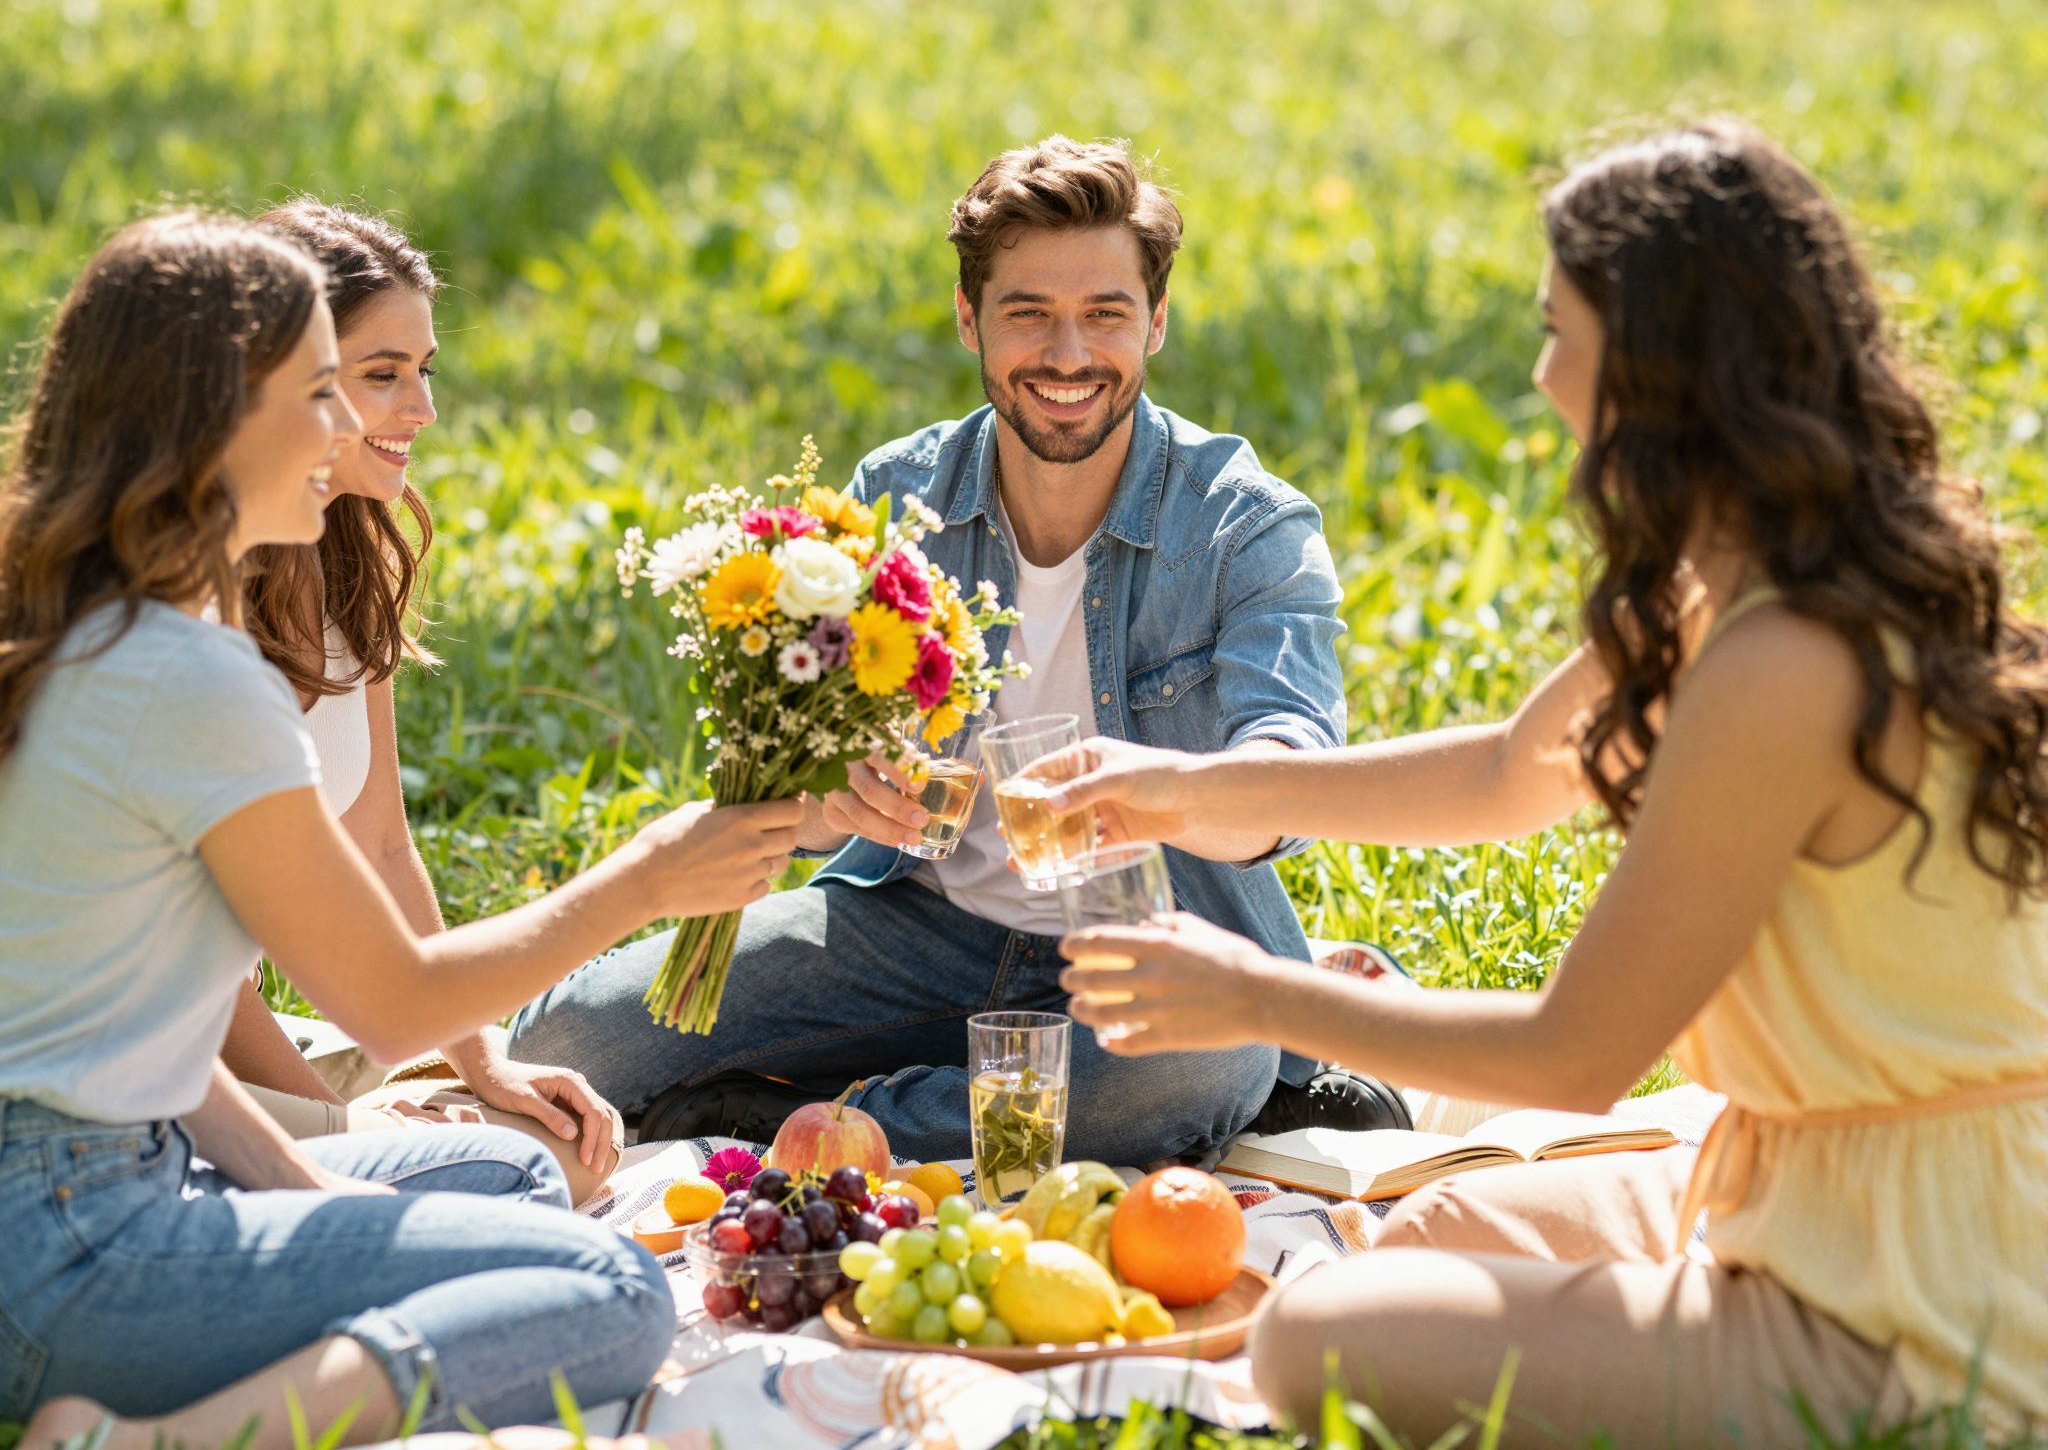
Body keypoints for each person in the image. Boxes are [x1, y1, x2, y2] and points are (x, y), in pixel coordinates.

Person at [1052, 121, 2048, 1443]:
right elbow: (1508, 774)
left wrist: (1250, 992)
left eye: (1553, 328)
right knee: (1434, 1226)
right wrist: (1183, 789)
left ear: (1651, 362)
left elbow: (1573, 1057)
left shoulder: (1783, 660)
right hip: (1804, 1178)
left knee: (1311, 1336)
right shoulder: (1742, 579)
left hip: (1913, 1298)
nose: (1536, 371)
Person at [0, 213, 801, 1447]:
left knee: (508, 1175)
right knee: (609, 1290)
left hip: (97, 1185)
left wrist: (317, 1197)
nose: (349, 428)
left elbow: (144, 1038)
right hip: (77, 1250)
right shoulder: (190, 679)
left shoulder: (87, 627)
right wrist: (646, 876)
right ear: (214, 416)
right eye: (320, 391)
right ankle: (138, 1442)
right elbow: (390, 1006)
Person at [509, 135, 1404, 1167]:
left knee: (1205, 1061)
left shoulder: (1244, 524)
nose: (1067, 355)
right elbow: (796, 784)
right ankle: (999, 1097)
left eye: (1105, 314)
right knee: (562, 1042)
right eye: (1028, 313)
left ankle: (802, 1117)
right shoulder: (897, 497)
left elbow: (1292, 767)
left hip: (1149, 945)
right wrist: (837, 795)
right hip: (913, 926)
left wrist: (1164, 793)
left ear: (1156, 321)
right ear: (968, 318)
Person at [212, 199, 621, 1199]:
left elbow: (384, 849)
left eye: (424, 370)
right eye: (382, 375)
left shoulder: (349, 563)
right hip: (177, 1060)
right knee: (516, 1175)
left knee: (564, 1150)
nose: (422, 409)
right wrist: (333, 1121)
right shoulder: (197, 609)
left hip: (249, 1042)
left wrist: (482, 1063)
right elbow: (191, 967)